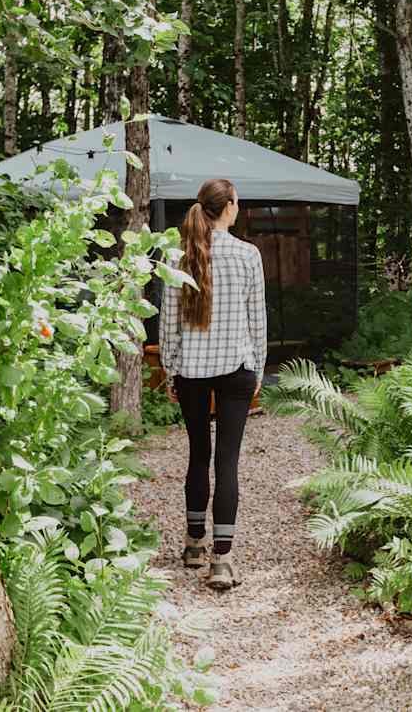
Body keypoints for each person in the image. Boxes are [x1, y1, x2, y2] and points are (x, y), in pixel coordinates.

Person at [160, 178, 266, 590]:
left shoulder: (178, 256)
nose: (238, 208)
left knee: (197, 455)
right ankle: (221, 562)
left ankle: (192, 544)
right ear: (227, 208)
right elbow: (258, 321)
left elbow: (168, 326)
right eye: (237, 202)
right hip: (236, 369)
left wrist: (170, 370)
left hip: (192, 371)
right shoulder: (247, 255)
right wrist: (257, 371)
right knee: (227, 461)